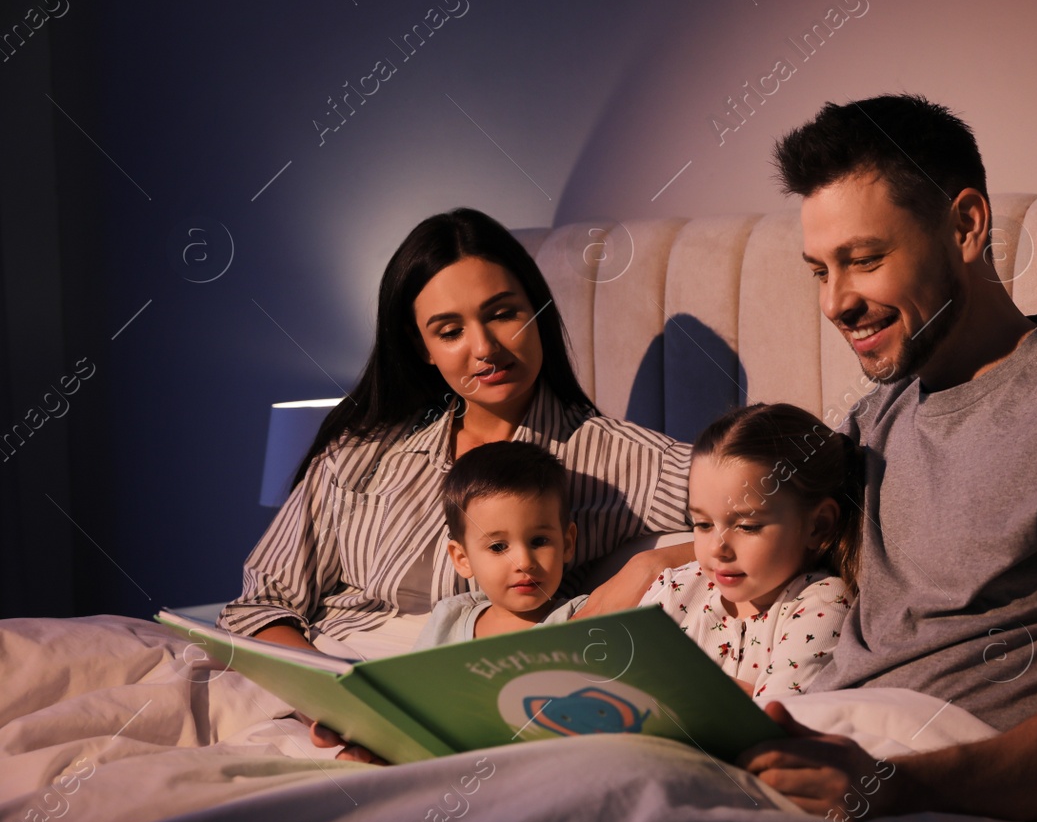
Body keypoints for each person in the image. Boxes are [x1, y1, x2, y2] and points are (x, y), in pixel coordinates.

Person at [738, 94, 1037, 822]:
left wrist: (896, 787)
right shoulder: (878, 419)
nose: (835, 302)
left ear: (965, 226)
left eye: (864, 260)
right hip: (832, 747)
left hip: (956, 804)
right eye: (819, 270)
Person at [219, 208, 692, 660]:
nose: (485, 348)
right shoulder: (361, 456)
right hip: (327, 675)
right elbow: (259, 606)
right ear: (422, 347)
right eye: (450, 331)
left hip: (464, 691)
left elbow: (762, 499)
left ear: (537, 311)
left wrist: (653, 564)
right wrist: (327, 698)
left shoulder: (617, 456)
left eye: (504, 314)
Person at [640, 402, 860, 699]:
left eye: (747, 526)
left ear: (817, 526)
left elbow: (778, 716)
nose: (718, 548)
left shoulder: (820, 602)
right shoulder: (676, 589)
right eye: (703, 524)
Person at [411, 441, 589, 649]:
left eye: (539, 541)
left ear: (567, 543)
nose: (523, 562)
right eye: (498, 547)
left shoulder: (583, 616)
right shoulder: (449, 618)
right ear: (462, 559)